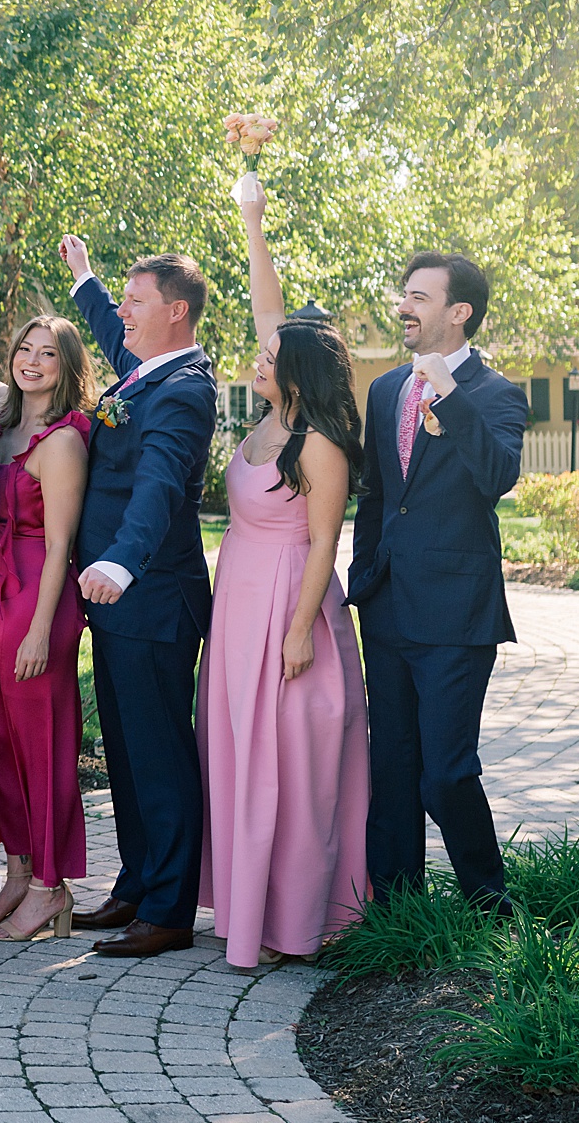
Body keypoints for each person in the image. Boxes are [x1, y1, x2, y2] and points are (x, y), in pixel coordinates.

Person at [201, 186, 370, 967]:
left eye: (269, 356)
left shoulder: (322, 443)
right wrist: (252, 223)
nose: (257, 357)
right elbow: (273, 315)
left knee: (290, 773)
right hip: (238, 607)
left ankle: (299, 923)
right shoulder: (271, 417)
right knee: (237, 756)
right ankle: (247, 912)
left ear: (294, 370)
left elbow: (323, 545)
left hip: (292, 614)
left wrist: (300, 633)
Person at [349, 251, 525, 911]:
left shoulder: (496, 395)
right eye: (405, 295)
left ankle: (490, 902)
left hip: (457, 612)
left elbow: (497, 476)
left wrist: (447, 393)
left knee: (446, 773)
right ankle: (398, 914)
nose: (403, 307)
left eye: (419, 298)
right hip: (389, 607)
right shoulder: (386, 389)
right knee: (392, 771)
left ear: (459, 312)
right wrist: (363, 577)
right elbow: (375, 494)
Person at [60, 237, 219, 959]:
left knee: (158, 756)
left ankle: (169, 911)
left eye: (136, 301)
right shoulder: (147, 371)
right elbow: (109, 330)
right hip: (119, 604)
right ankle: (136, 881)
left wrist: (120, 563)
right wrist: (86, 280)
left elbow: (158, 486)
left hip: (152, 599)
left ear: (176, 312)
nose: (122, 312)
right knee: (124, 753)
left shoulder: (183, 391)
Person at [0, 315, 92, 943]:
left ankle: (49, 886)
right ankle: (17, 866)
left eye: (47, 355)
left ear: (67, 367)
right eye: (24, 350)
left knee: (40, 742)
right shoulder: (4, 420)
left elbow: (61, 543)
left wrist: (39, 631)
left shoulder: (61, 441)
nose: (32, 361)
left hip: (37, 593)